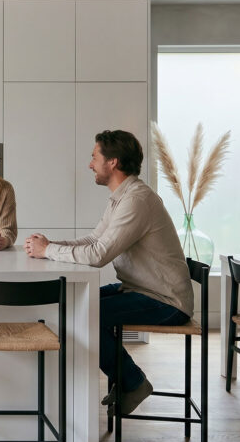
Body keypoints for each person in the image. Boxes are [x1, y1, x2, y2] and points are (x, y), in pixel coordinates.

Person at [23, 129, 194, 416]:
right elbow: (93, 241)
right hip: (139, 290)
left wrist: (47, 250)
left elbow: (98, 255)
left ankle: (133, 382)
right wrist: (50, 245)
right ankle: (122, 382)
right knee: (73, 305)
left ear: (112, 162)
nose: (90, 164)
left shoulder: (137, 200)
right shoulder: (121, 198)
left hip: (165, 301)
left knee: (84, 313)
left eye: (94, 157)